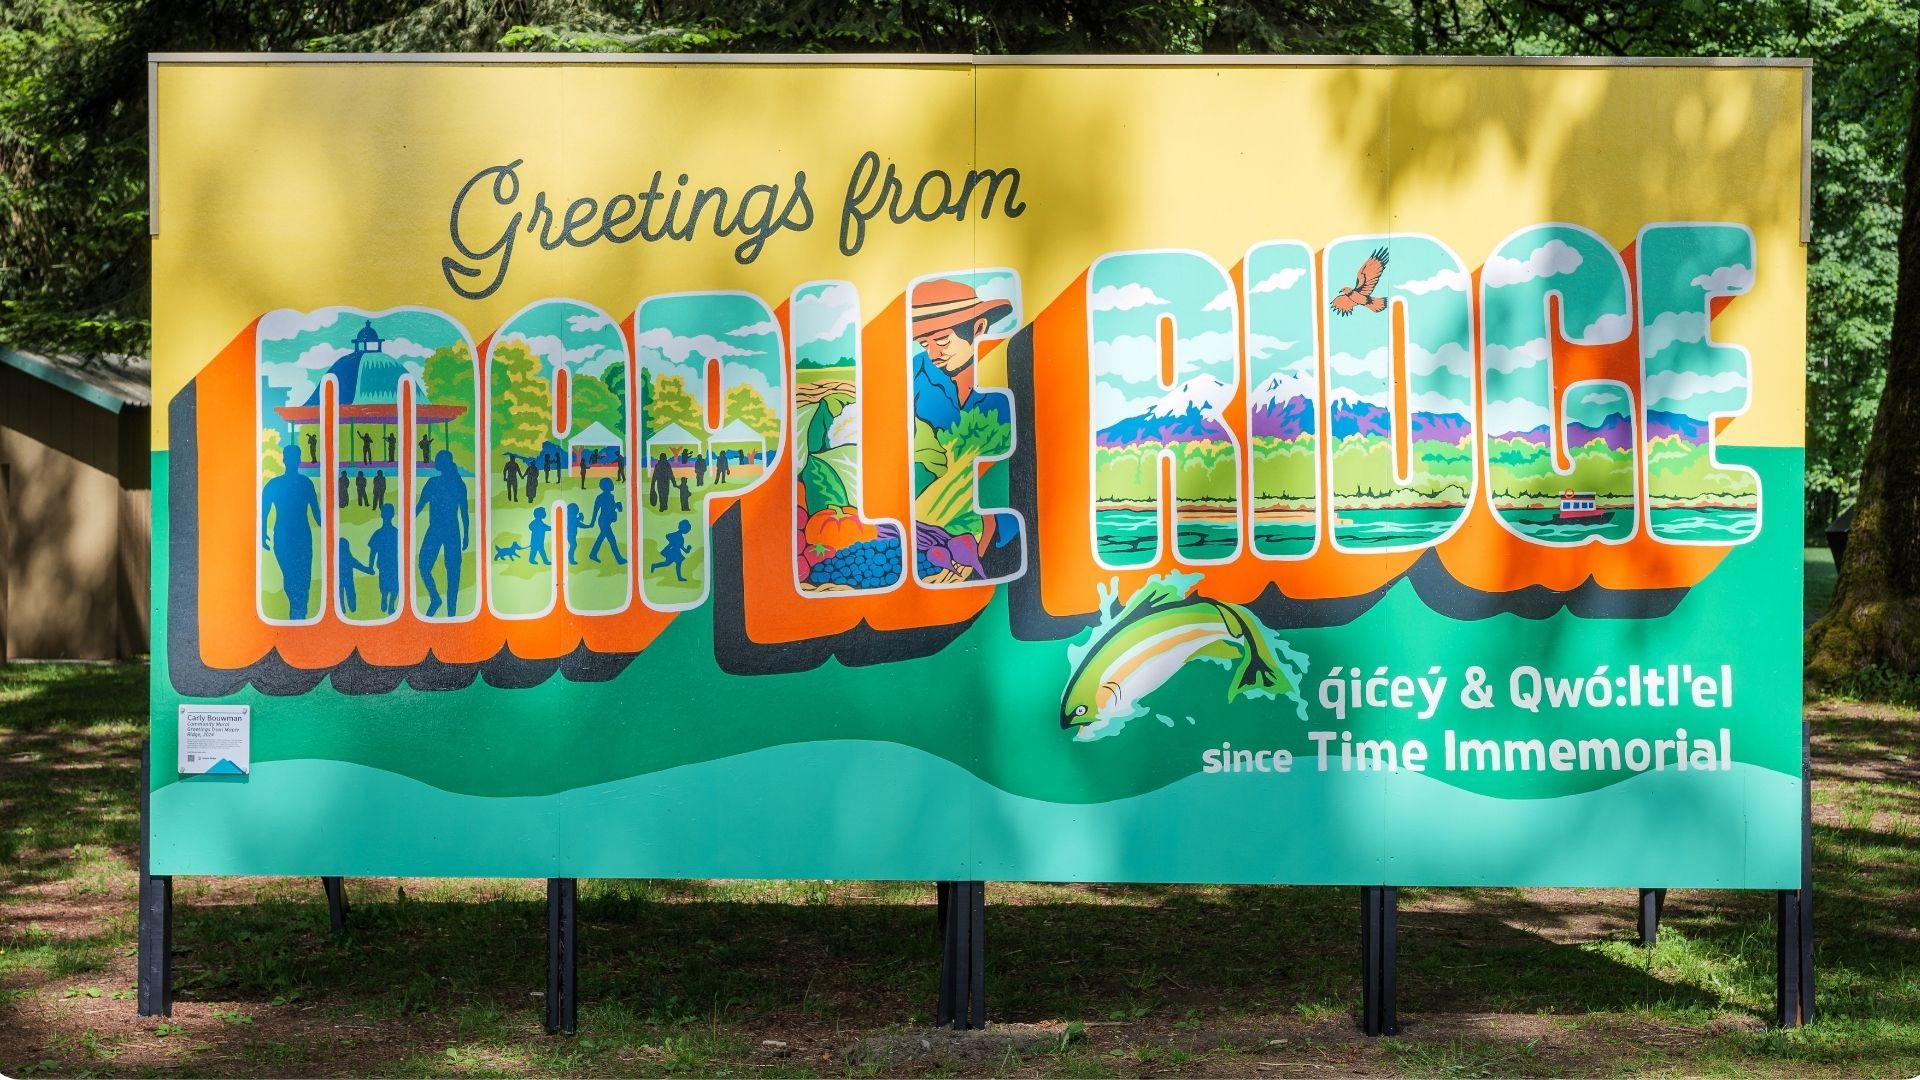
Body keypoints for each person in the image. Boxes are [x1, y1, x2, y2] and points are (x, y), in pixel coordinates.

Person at [909, 277, 1020, 580]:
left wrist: (991, 525)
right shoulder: (915, 374)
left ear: (978, 328)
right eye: (924, 344)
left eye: (942, 340)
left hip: (996, 537)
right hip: (925, 535)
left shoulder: (1008, 371)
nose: (933, 353)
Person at [262, 445, 322, 621]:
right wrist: (262, 533)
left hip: (296, 537)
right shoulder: (277, 485)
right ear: (297, 461)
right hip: (287, 537)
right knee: (294, 578)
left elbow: (318, 515)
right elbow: (263, 512)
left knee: (301, 578)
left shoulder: (302, 483)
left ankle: (299, 614)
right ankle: (298, 613)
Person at [415, 449, 470, 617]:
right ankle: (436, 599)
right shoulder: (434, 483)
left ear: (443, 464)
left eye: (438, 460)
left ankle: (451, 613)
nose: (435, 463)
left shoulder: (455, 484)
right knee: (425, 565)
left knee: (452, 572)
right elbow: (419, 506)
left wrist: (466, 534)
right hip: (440, 529)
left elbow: (464, 512)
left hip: (448, 530)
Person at [367, 503, 400, 615]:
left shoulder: (379, 533)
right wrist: (370, 566)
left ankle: (387, 601)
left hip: (387, 565)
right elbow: (373, 552)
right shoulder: (396, 532)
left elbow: (373, 552)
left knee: (387, 585)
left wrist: (370, 567)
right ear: (393, 514)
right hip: (391, 565)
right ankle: (388, 603)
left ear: (382, 515)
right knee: (394, 587)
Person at [587, 477, 627, 564]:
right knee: (612, 539)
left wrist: (617, 506)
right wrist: (592, 523)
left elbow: (610, 508)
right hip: (603, 521)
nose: (613, 485)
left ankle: (593, 554)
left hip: (607, 521)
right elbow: (596, 510)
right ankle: (619, 559)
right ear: (607, 486)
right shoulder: (600, 497)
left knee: (602, 538)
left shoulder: (611, 496)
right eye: (611, 484)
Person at [337, 536, 371, 614]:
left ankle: (344, 609)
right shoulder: (348, 557)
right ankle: (351, 608)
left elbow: (358, 565)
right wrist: (368, 570)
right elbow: (359, 565)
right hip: (348, 580)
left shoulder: (337, 558)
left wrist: (368, 570)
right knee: (350, 594)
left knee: (340, 595)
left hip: (340, 581)